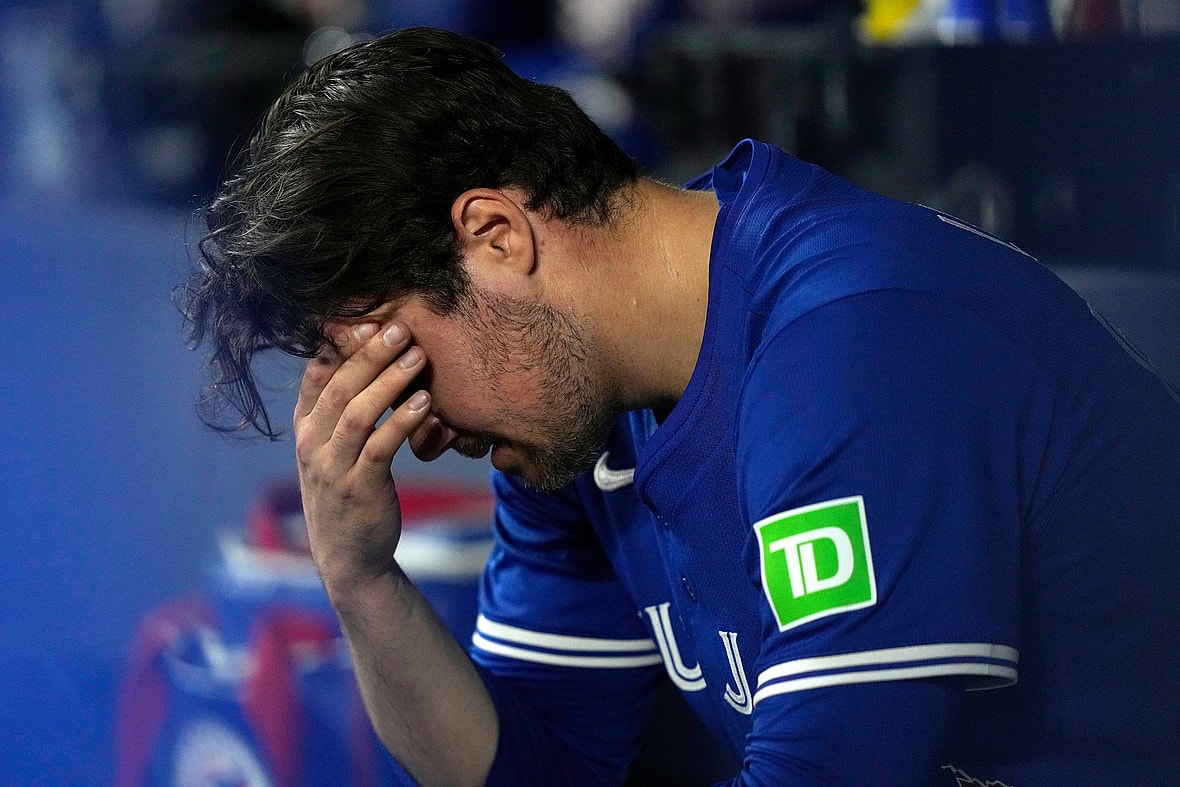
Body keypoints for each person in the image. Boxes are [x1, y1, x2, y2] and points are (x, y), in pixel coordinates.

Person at [182, 26, 1180, 786]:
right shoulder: (567, 416)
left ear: (495, 235)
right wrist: (359, 580)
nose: (418, 431)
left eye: (403, 360)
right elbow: (535, 770)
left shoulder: (853, 337)